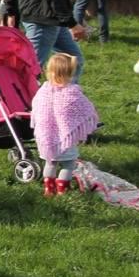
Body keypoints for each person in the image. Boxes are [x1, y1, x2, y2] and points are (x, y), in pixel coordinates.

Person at [32, 52, 98, 196]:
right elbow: (87, 110)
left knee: (50, 163)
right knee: (68, 164)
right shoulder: (72, 92)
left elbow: (36, 109)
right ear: (70, 73)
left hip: (46, 138)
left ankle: (48, 189)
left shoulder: (43, 91)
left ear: (48, 71)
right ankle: (62, 190)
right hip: (65, 140)